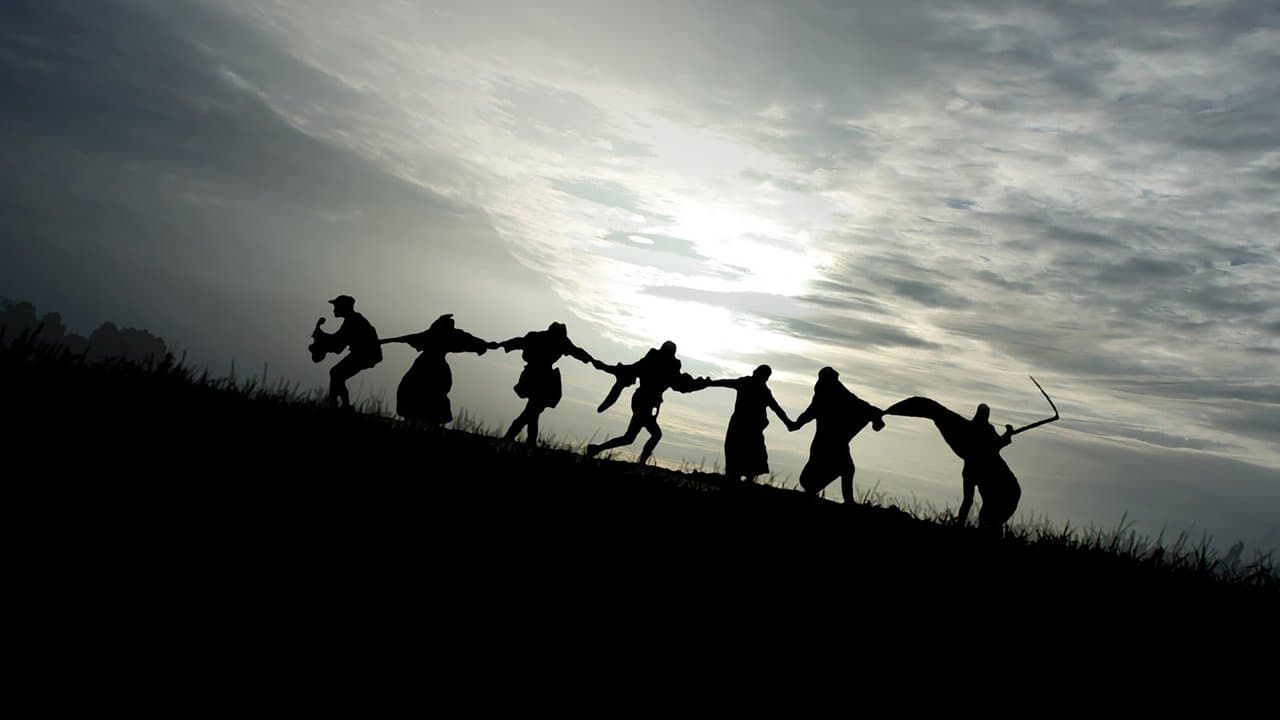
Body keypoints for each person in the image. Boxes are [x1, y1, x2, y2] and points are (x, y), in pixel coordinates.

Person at [884, 398, 1020, 530]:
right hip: (1006, 491)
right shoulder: (978, 454)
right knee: (987, 522)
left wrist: (1007, 434)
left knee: (988, 521)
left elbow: (967, 501)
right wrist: (1007, 434)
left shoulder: (977, 454)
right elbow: (967, 501)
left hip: (1008, 490)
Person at [585, 341, 707, 465]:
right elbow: (634, 369)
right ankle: (640, 462)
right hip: (642, 401)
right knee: (653, 435)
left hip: (645, 402)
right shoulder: (654, 361)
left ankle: (596, 449)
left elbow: (681, 384)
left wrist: (701, 383)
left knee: (630, 438)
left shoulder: (668, 366)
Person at [787, 367, 884, 504]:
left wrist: (875, 414)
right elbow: (860, 406)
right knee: (842, 469)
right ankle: (846, 501)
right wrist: (874, 415)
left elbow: (860, 405)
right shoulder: (823, 399)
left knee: (846, 469)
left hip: (834, 444)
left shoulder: (838, 396)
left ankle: (846, 500)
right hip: (826, 444)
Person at [380, 314, 490, 426]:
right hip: (428, 367)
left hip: (431, 367)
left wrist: (489, 344)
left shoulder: (445, 336)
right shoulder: (438, 335)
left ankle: (425, 422)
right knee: (413, 390)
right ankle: (418, 421)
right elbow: (405, 338)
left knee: (430, 393)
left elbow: (471, 341)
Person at [496, 322, 596, 446]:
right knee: (531, 412)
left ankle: (523, 441)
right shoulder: (544, 338)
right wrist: (500, 345)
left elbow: (577, 352)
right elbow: (518, 342)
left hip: (541, 379)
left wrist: (592, 360)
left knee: (532, 412)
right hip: (537, 378)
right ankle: (518, 440)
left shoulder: (556, 340)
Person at [705, 365, 793, 482]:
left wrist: (788, 423)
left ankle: (741, 480)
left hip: (749, 428)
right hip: (743, 426)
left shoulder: (759, 389)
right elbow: (725, 382)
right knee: (737, 453)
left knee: (749, 455)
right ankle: (736, 479)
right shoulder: (750, 385)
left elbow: (777, 408)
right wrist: (709, 383)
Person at [311, 295, 382, 411]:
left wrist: (321, 337)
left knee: (336, 373)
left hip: (365, 355)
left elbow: (337, 345)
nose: (334, 309)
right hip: (364, 354)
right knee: (337, 374)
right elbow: (338, 342)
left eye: (336, 306)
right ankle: (341, 405)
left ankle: (338, 405)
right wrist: (323, 337)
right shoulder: (352, 319)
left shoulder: (352, 321)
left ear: (343, 307)